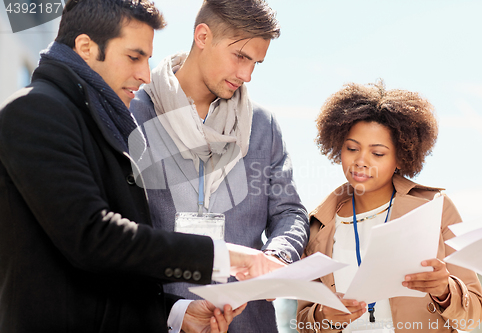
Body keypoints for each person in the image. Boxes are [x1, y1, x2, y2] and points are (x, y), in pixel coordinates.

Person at [0, 1, 286, 332]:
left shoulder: (101, 122)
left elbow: (111, 275)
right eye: (134, 57)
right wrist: (226, 257)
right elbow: (96, 239)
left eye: (148, 59)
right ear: (86, 48)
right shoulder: (35, 111)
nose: (145, 74)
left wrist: (176, 313)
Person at [129, 0, 309, 331]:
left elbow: (290, 213)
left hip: (248, 322)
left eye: (256, 62)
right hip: (159, 319)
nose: (247, 75)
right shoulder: (133, 115)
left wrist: (278, 257)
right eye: (240, 56)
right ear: (202, 36)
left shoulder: (263, 126)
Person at [296, 81, 482, 333]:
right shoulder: (319, 225)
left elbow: (473, 318)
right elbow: (303, 323)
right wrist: (324, 315)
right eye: (352, 148)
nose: (361, 161)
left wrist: (444, 290)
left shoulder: (435, 208)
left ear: (400, 158)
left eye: (378, 153)